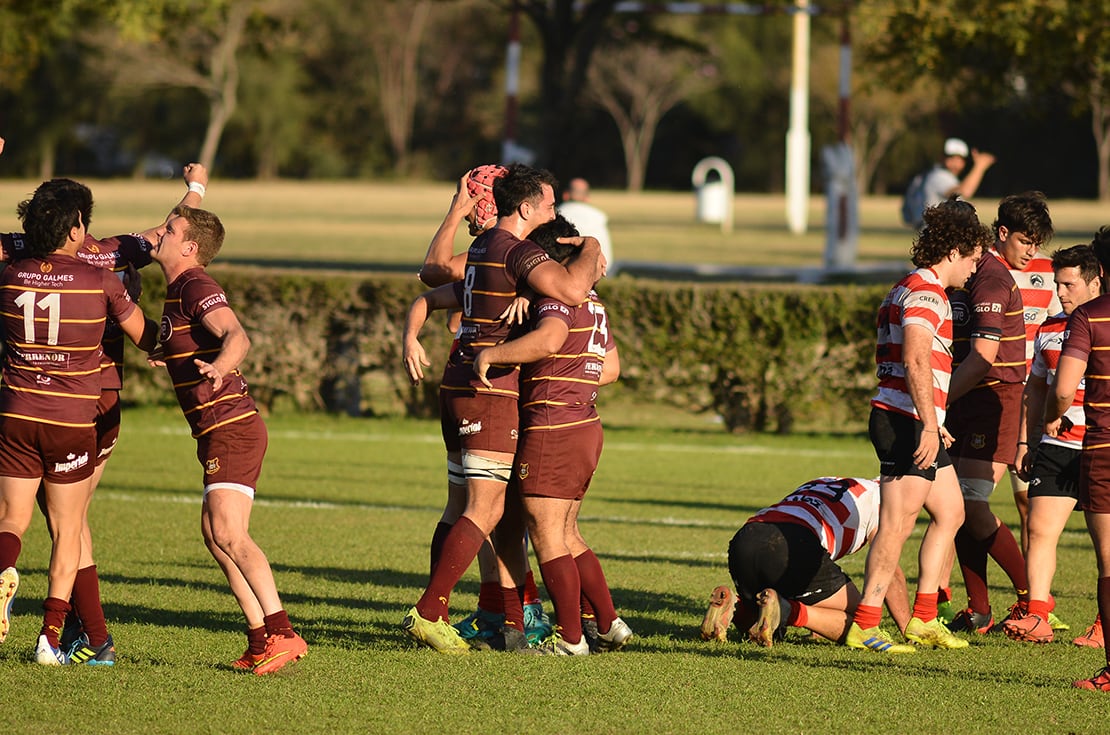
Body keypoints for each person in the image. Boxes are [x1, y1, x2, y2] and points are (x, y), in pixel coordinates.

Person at [0, 161, 209, 666]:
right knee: (70, 524)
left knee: (21, 517)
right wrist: (195, 189)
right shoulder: (103, 260)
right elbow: (168, 238)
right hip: (89, 404)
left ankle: (91, 634)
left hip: (17, 407)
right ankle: (74, 635)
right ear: (77, 225)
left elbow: (168, 234)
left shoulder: (10, 259)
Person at [401, 163, 605, 654]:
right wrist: (593, 248)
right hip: (489, 393)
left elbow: (432, 285)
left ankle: (494, 615)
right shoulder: (516, 250)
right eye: (551, 204)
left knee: (466, 507)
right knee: (490, 509)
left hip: (458, 386)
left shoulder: (484, 249)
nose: (556, 212)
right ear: (527, 207)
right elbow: (575, 291)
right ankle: (431, 612)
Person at [147, 205, 307, 675]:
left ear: (189, 247)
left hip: (232, 427)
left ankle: (282, 632)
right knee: (215, 537)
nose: (160, 233)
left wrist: (220, 365)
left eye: (170, 230)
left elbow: (238, 336)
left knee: (231, 535)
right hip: (215, 430)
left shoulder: (196, 285)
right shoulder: (177, 289)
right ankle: (260, 640)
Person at [472, 215, 628, 655]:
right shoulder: (594, 302)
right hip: (586, 424)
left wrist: (493, 354)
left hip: (553, 425)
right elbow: (611, 369)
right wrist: (575, 378)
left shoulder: (554, 299)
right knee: (568, 533)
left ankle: (572, 640)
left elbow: (548, 341)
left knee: (546, 537)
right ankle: (609, 622)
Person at [846, 200, 991, 654]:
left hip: (918, 419)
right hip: (905, 422)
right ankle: (865, 623)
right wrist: (930, 424)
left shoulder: (909, 287)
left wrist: (936, 422)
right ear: (955, 251)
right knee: (895, 524)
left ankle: (924, 617)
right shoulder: (927, 293)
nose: (974, 268)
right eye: (973, 257)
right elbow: (914, 358)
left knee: (951, 510)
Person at [944, 193, 1050, 636]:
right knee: (956, 507)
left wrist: (936, 398)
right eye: (1026, 241)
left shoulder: (990, 279)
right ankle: (980, 609)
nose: (1032, 252)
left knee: (968, 503)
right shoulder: (961, 274)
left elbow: (984, 358)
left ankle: (1033, 598)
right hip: (965, 396)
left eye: (1036, 243)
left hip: (995, 399)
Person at [1005, 244, 1102, 644]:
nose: (1061, 293)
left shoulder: (1106, 325)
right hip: (1056, 446)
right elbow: (1035, 390)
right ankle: (1038, 615)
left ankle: (1103, 624)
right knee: (1041, 529)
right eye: (1056, 284)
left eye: (1069, 284)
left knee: (1106, 545)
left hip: (1099, 445)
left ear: (1095, 282)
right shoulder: (1049, 329)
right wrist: (1027, 441)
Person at [701, 477, 910, 648]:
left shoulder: (828, 482)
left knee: (769, 627)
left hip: (747, 536)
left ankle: (736, 608)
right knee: (863, 619)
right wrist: (908, 629)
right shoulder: (884, 501)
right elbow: (888, 569)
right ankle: (788, 611)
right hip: (793, 543)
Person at [1045, 238, 1110, 690]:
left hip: (1104, 448)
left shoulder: (1090, 317)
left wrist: (1052, 412)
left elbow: (1065, 388)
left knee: (1109, 563)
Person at [922, 138, 996, 211]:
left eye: (960, 159)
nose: (956, 163)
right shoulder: (939, 175)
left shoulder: (935, 174)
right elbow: (964, 192)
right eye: (951, 158)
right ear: (942, 157)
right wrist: (979, 166)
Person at [557, 177, 614, 273]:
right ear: (587, 198)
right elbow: (608, 258)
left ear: (566, 195)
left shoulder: (555, 215)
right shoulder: (598, 217)